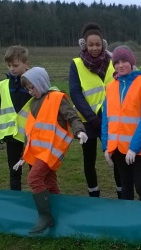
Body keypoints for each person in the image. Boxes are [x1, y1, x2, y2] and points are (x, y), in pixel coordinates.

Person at [13, 67, 88, 235]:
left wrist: (79, 131)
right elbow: (31, 132)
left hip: (50, 152)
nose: (30, 91)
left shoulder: (57, 99)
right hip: (39, 152)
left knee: (34, 178)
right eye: (27, 88)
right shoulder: (33, 104)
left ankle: (45, 216)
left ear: (41, 83)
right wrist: (24, 157)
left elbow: (72, 116)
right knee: (50, 183)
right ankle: (59, 214)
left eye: (32, 87)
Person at [69, 22, 122, 199]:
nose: (94, 48)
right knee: (89, 160)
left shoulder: (114, 62)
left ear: (103, 44)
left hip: (111, 119)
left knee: (116, 158)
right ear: (84, 44)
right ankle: (94, 193)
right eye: (90, 44)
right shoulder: (76, 64)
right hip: (87, 120)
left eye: (97, 44)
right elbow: (75, 93)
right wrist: (92, 118)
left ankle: (122, 192)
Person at [101, 45, 141, 202]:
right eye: (116, 62)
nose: (120, 65)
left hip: (140, 148)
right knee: (125, 186)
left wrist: (134, 148)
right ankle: (128, 220)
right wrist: (106, 146)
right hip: (118, 147)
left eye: (124, 61)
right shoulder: (110, 87)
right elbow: (106, 118)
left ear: (132, 62)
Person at [0, 45, 33, 191]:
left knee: (35, 170)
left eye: (15, 65)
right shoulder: (3, 85)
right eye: (9, 65)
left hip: (31, 133)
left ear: (26, 64)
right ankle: (15, 199)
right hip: (11, 134)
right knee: (14, 170)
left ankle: (39, 199)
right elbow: (0, 109)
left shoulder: (33, 83)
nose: (12, 68)